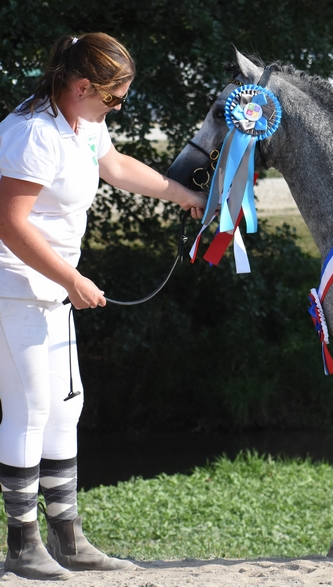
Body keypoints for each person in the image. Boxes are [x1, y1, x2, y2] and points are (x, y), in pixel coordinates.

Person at [0, 33, 205, 580]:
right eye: (114, 99)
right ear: (82, 85)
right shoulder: (31, 134)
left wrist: (182, 194)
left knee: (66, 407)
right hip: (14, 284)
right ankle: (22, 546)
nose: (119, 107)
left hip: (49, 287)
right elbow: (10, 224)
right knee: (29, 409)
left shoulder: (85, 123)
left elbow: (113, 164)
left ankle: (67, 539)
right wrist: (71, 277)